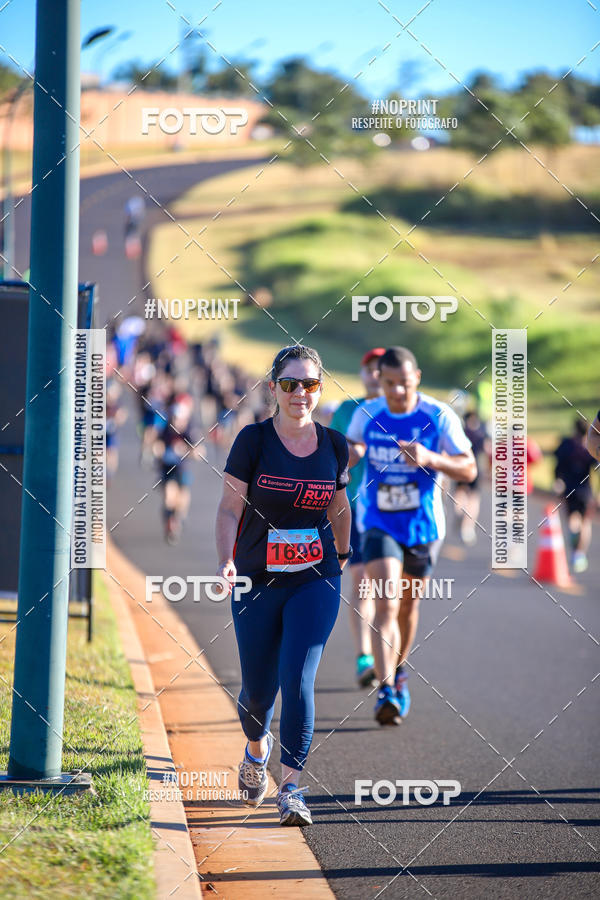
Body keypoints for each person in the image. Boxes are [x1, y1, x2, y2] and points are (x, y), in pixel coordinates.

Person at [215, 345, 351, 826]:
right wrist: (227, 561)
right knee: (258, 691)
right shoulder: (253, 441)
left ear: (320, 388)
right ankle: (256, 752)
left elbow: (338, 505)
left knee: (299, 678)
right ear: (273, 388)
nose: (300, 393)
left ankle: (292, 788)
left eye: (309, 384)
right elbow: (230, 508)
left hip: (315, 578)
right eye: (290, 384)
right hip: (255, 578)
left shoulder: (335, 445)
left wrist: (342, 553)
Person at [345, 347, 476, 726]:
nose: (397, 392)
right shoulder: (367, 413)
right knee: (386, 600)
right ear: (379, 382)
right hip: (379, 522)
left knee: (407, 608)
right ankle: (386, 689)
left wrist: (431, 459)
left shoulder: (437, 415)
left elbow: (468, 468)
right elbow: (353, 445)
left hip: (423, 526)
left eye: (404, 384)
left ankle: (399, 673)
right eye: (389, 384)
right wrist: (352, 453)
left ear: (416, 378)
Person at [329, 348, 384, 687]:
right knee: (362, 582)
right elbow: (333, 455)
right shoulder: (349, 409)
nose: (375, 375)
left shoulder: (403, 413)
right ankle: (365, 656)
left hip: (393, 515)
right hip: (354, 507)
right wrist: (352, 452)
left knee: (390, 590)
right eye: (369, 369)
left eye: (381, 369)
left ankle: (387, 657)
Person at [554, 419, 596, 573]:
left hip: (571, 489)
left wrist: (558, 480)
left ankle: (575, 549)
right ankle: (580, 553)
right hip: (585, 490)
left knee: (573, 519)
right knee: (585, 522)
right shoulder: (589, 447)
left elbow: (558, 465)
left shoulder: (566, 445)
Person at [453, 410, 489, 546]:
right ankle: (468, 527)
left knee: (461, 492)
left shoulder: (461, 432)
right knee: (473, 498)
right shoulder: (482, 433)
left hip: (461, 465)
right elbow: (487, 450)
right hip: (475, 467)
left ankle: (460, 513)